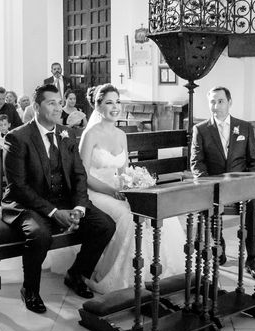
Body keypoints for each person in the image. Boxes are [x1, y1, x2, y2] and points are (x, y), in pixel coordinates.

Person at [1, 83, 116, 313]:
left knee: (105, 225)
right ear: (36, 107)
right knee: (39, 234)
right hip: (26, 203)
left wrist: (79, 208)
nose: (57, 107)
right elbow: (19, 187)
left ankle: (76, 274)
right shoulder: (17, 138)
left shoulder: (67, 133)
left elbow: (79, 175)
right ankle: (30, 289)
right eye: (51, 103)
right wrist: (54, 213)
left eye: (59, 102)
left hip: (63, 199)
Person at [77, 83, 186, 294]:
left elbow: (124, 171)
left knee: (157, 211)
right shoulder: (90, 134)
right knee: (129, 217)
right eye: (109, 102)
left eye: (117, 102)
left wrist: (135, 186)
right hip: (96, 191)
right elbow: (84, 176)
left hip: (118, 189)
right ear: (98, 106)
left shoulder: (121, 135)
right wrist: (112, 192)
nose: (115, 106)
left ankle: (160, 272)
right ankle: (122, 276)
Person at [190, 86, 255, 280]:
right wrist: (208, 184)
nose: (216, 106)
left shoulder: (245, 128)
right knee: (210, 203)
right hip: (214, 186)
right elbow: (196, 163)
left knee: (254, 204)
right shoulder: (201, 129)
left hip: (240, 187)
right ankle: (219, 246)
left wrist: (251, 182)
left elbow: (254, 161)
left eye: (220, 101)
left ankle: (253, 259)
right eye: (212, 102)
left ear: (229, 102)